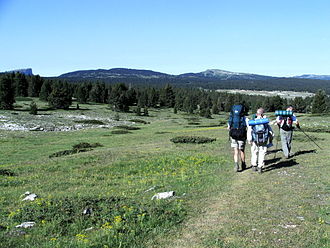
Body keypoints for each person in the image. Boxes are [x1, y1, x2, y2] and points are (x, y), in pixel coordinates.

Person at [247, 108, 274, 174]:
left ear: (257, 114)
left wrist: (249, 140)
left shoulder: (254, 122)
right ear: (263, 114)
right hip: (264, 140)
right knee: (262, 153)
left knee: (254, 152)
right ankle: (260, 167)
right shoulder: (265, 122)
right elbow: (271, 133)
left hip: (255, 140)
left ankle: (254, 165)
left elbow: (249, 131)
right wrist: (270, 140)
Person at [228, 104, 249, 172]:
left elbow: (229, 126)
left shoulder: (232, 117)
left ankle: (236, 164)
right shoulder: (243, 117)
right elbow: (247, 126)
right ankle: (243, 164)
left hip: (234, 135)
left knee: (235, 151)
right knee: (242, 150)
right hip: (241, 134)